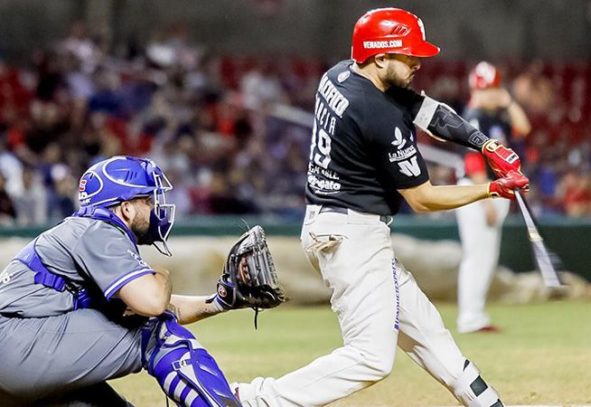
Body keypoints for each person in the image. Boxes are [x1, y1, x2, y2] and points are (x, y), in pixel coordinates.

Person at [233, 8, 529, 407]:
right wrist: (491, 189)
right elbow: (422, 198)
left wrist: (486, 145)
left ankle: (487, 402)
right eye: (408, 54)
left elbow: (431, 113)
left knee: (429, 333)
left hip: (336, 224)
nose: (417, 62)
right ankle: (251, 400)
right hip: (351, 235)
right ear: (380, 55)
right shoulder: (378, 114)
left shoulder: (339, 74)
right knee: (371, 357)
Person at [0, 156, 266, 406]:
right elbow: (153, 305)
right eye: (147, 200)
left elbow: (152, 307)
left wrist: (219, 302)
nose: (155, 207)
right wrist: (163, 275)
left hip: (18, 354)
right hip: (15, 346)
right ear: (126, 208)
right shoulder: (100, 230)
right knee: (157, 331)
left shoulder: (85, 233)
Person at [456, 61, 531, 334]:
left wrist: (508, 101)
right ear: (476, 90)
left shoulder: (496, 117)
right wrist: (486, 199)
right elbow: (473, 162)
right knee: (476, 257)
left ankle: (476, 315)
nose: (491, 93)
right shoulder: (473, 117)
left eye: (494, 88)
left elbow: (524, 128)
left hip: (492, 191)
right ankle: (469, 317)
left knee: (487, 257)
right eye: (486, 88)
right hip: (478, 191)